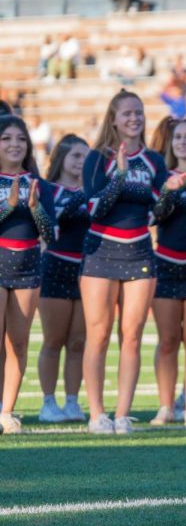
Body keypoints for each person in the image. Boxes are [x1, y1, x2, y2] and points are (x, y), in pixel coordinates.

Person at [81, 91, 168, 435]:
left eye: (139, 113)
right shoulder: (95, 157)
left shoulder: (154, 161)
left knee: (131, 336)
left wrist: (171, 191)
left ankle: (121, 414)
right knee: (98, 335)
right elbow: (93, 208)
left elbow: (158, 212)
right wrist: (118, 176)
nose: (135, 118)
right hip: (100, 252)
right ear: (113, 119)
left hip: (139, 252)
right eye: (127, 113)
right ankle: (97, 414)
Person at [149, 118, 186, 428]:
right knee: (168, 340)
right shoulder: (161, 177)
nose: (183, 142)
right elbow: (155, 217)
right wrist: (170, 191)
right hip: (166, 262)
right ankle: (166, 405)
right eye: (178, 137)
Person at [0, 117, 57, 434]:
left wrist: (34, 208)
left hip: (28, 266)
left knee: (18, 344)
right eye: (6, 138)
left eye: (20, 139)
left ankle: (6, 412)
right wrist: (8, 207)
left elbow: (50, 233)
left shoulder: (40, 184)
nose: (14, 145)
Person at [36, 135, 90, 424]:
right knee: (54, 339)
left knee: (79, 341)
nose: (81, 162)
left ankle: (72, 401)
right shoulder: (48, 189)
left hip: (86, 271)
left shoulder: (92, 190)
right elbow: (54, 221)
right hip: (55, 266)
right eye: (76, 156)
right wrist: (81, 195)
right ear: (62, 159)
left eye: (86, 157)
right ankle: (48, 403)